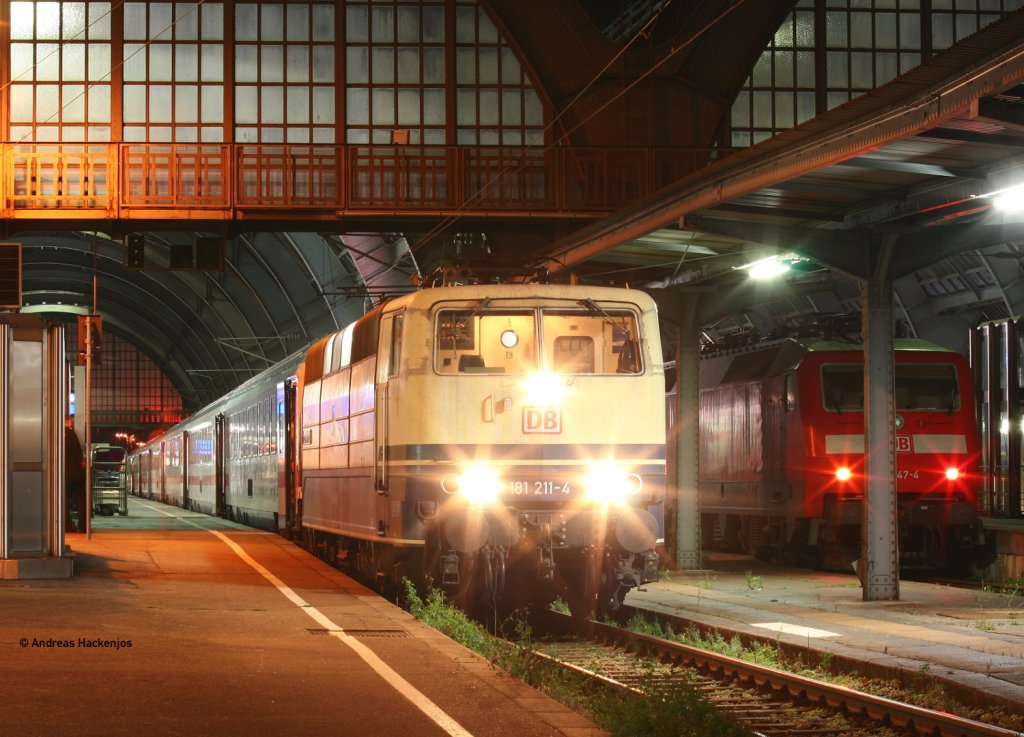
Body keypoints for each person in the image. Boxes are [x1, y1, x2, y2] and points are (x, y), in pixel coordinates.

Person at [64, 419, 86, 533]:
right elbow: (77, 452)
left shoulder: (53, 433)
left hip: (61, 474)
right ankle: (83, 525)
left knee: (64, 500)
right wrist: (81, 464)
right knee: (81, 499)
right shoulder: (70, 433)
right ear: (67, 421)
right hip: (75, 473)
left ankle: (67, 525)